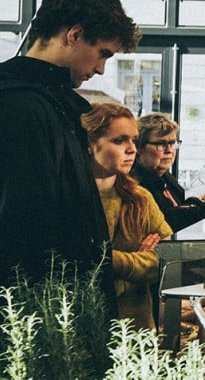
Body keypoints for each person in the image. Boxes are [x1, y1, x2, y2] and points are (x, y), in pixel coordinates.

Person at [0, 0, 139, 318]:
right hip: (39, 317)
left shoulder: (43, 103)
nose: (101, 69)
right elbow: (19, 226)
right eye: (102, 53)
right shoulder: (23, 108)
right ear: (74, 35)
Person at [83, 103, 173, 329]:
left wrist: (109, 260)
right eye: (119, 140)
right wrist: (137, 263)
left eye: (133, 140)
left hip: (136, 328)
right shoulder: (71, 199)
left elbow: (167, 260)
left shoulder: (140, 198)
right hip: (85, 327)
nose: (132, 149)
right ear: (90, 144)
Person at [132, 113, 205, 232]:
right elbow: (162, 220)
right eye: (160, 144)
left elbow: (178, 209)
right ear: (139, 147)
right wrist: (202, 206)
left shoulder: (166, 177)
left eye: (172, 143)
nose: (169, 150)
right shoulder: (133, 183)